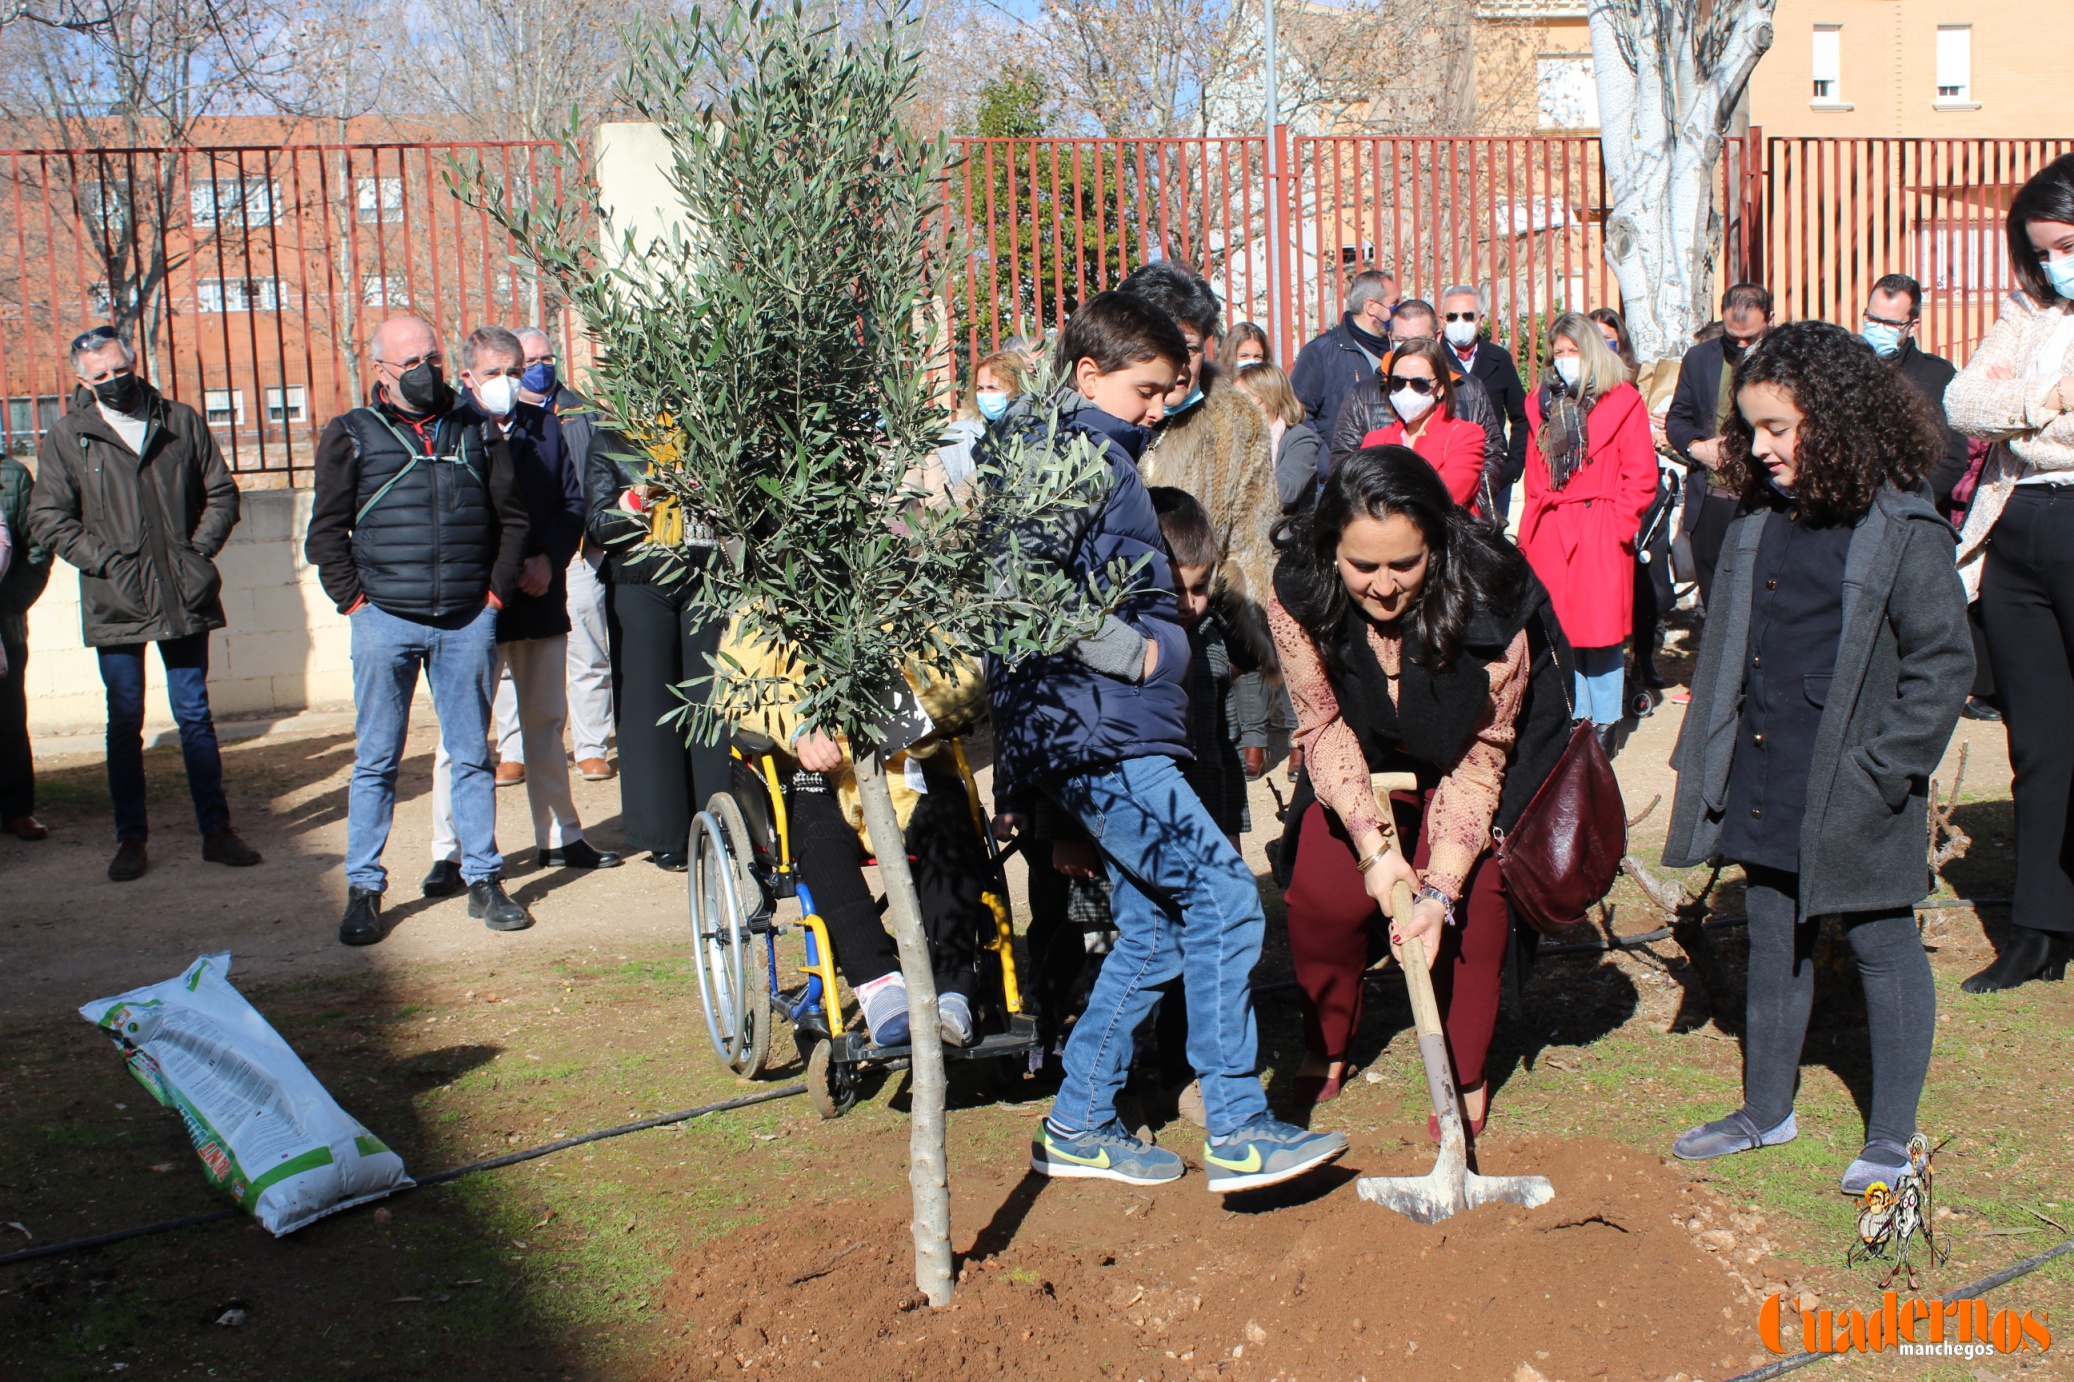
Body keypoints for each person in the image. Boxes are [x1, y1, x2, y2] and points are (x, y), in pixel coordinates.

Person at [985, 289, 1347, 1192]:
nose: (1159, 409)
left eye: (1169, 391)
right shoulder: (1075, 460)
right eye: (1145, 391)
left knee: (1152, 931)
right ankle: (1238, 1125)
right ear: (1087, 373)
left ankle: (1078, 1123)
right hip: (1106, 734)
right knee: (1224, 900)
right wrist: (1136, 651)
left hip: (1107, 730)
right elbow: (1017, 583)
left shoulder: (1084, 454)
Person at [1664, 320, 1969, 1192]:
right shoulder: (1760, 523)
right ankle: (1767, 1111)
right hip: (1769, 769)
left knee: (1881, 943)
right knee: (1771, 937)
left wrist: (1884, 769)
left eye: (1777, 429)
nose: (1757, 449)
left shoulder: (1903, 530)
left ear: (1835, 422)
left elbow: (1943, 665)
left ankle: (1894, 1137)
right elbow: (1732, 652)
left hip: (1856, 780)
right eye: (1751, 429)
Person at [1270, 447, 1573, 1119]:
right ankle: (1329, 1039)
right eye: (1362, 565)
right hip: (1360, 748)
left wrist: (1438, 892)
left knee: (1477, 907)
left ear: (1436, 545)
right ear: (1331, 550)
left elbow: (1481, 761)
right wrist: (1377, 853)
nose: (1383, 586)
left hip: (1470, 759)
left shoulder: (1492, 600)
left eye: (1404, 563)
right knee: (1322, 892)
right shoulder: (1299, 588)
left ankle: (1461, 1072)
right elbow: (1320, 725)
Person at [305, 315, 532, 943]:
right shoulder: (351, 434)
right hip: (384, 621)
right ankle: (364, 888)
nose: (425, 370)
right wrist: (356, 606)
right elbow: (325, 535)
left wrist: (492, 598)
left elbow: (511, 522)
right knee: (376, 760)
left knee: (472, 755)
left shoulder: (477, 430)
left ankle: (483, 878)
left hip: (466, 621)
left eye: (431, 357)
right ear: (380, 369)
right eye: (410, 361)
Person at [29, 325, 262, 881]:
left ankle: (217, 830)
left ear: (134, 362)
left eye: (119, 369)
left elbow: (221, 492)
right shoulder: (68, 437)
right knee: (123, 718)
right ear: (82, 380)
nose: (113, 382)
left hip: (184, 592)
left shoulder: (178, 421)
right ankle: (131, 837)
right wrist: (105, 561)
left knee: (195, 716)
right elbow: (47, 515)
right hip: (117, 600)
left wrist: (197, 552)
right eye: (100, 376)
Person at [424, 327, 622, 896]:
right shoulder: (450, 429)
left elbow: (571, 503)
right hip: (473, 606)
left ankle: (560, 835)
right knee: (460, 735)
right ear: (467, 378)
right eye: (495, 373)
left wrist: (550, 558)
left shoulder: (546, 427)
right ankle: (449, 850)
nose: (510, 383)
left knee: (545, 722)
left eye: (516, 371)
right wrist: (499, 576)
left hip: (539, 598)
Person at [1947, 152, 2074, 992]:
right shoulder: (2030, 311)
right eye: (2043, 251)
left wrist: (2027, 422)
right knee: (2038, 743)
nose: (2056, 263)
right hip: (2020, 528)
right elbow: (1963, 403)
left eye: (2066, 243)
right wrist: (2046, 402)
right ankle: (2038, 925)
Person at [1120, 261, 1282, 777]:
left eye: (1192, 346)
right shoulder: (1086, 410)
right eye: (1167, 343)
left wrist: (1245, 648)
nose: (1182, 363)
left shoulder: (1233, 418)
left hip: (1197, 644)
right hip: (1104, 647)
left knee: (1208, 811)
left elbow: (1256, 540)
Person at [584, 384, 731, 873]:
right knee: (649, 706)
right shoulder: (611, 435)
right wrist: (637, 497)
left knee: (711, 697)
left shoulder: (712, 425)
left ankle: (723, 819)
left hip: (706, 577)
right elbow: (599, 527)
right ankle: (665, 833)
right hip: (641, 580)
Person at [1517, 314, 1660, 752]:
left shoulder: (1624, 401)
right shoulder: (1540, 403)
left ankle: (1605, 720)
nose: (1563, 361)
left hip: (1599, 525)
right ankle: (1571, 718)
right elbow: (1534, 473)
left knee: (1599, 634)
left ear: (1592, 352)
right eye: (1557, 353)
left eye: (1572, 352)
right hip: (1552, 529)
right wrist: (1530, 531)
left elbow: (1641, 474)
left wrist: (1618, 525)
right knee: (1559, 631)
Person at [1860, 275, 1999, 724]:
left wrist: (1911, 503)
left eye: (1889, 322)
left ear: (1911, 325)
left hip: (1909, 517)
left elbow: (1952, 456)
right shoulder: (1845, 367)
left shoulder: (1937, 375)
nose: (1877, 328)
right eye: (1871, 318)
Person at [505, 325, 616, 784]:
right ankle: (512, 750)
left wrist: (590, 539)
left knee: (588, 653)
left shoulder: (581, 412)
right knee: (511, 659)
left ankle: (592, 746)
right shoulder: (501, 418)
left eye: (546, 358)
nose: (540, 368)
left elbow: (597, 479)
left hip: (576, 553)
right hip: (519, 559)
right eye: (529, 362)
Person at [1667, 284, 1774, 609]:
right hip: (1711, 502)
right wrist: (1696, 447)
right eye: (1732, 337)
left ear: (1770, 320)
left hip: (1764, 500)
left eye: (1750, 338)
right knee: (1717, 604)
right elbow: (1677, 419)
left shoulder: (1786, 359)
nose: (1740, 346)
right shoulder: (1700, 359)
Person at [1326, 300, 1506, 491]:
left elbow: (1491, 456)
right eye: (1401, 340)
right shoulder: (1363, 394)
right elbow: (1344, 463)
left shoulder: (1469, 388)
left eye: (1420, 340)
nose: (1411, 348)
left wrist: (1470, 509)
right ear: (1390, 338)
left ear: (1437, 337)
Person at [1593, 306, 1677, 711]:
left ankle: (1644, 656)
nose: (1602, 348)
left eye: (1610, 340)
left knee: (1649, 586)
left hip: (1641, 503)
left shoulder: (1639, 384)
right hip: (1599, 506)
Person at [1356, 338, 1489, 507]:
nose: (1407, 390)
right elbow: (1362, 498)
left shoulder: (1465, 435)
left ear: (1441, 387)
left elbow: (1451, 496)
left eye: (1420, 384)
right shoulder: (1374, 440)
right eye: (1398, 382)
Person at [1441, 286, 1529, 521]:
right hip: (1445, 477)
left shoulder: (1498, 359)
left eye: (1468, 316)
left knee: (1491, 548)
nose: (1460, 322)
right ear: (1441, 321)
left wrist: (1513, 465)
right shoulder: (1432, 360)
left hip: (1492, 478)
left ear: (1481, 319)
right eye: (1452, 316)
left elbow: (1521, 415)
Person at [0, 448, 49, 842]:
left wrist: (10, 603)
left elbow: (36, 548)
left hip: (3, 624)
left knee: (9, 717)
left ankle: (17, 810)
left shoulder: (12, 476)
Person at [1290, 268, 1398, 437]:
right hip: (1341, 461)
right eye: (1394, 304)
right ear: (1371, 307)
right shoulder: (1320, 352)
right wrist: (1327, 460)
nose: (1399, 311)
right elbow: (1299, 416)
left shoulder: (1398, 349)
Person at [1232, 360, 1324, 515]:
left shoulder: (1300, 438)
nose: (1235, 404)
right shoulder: (1233, 436)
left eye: (1242, 397)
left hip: (1283, 533)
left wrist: (1252, 450)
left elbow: (1285, 494)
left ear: (1267, 397)